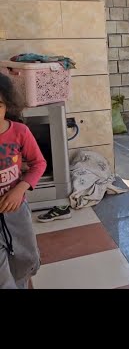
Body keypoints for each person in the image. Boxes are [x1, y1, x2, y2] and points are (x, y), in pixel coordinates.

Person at [0, 72, 47, 289]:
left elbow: (39, 164)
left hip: (17, 210)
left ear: (7, 105)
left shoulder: (19, 132)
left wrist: (20, 188)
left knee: (26, 259)